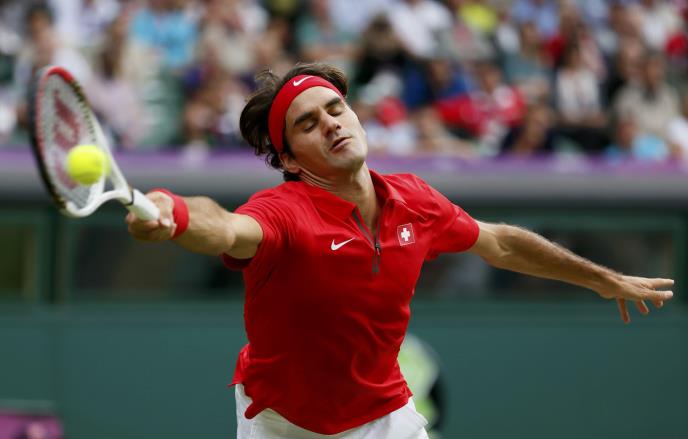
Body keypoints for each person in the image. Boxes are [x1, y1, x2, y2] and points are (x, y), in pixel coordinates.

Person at [126, 63, 674, 439]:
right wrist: (174, 213)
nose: (331, 125)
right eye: (308, 124)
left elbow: (501, 243)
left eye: (336, 109)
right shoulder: (283, 213)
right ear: (290, 160)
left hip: (382, 415)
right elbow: (224, 228)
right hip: (283, 424)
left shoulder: (415, 200)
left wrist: (602, 278)